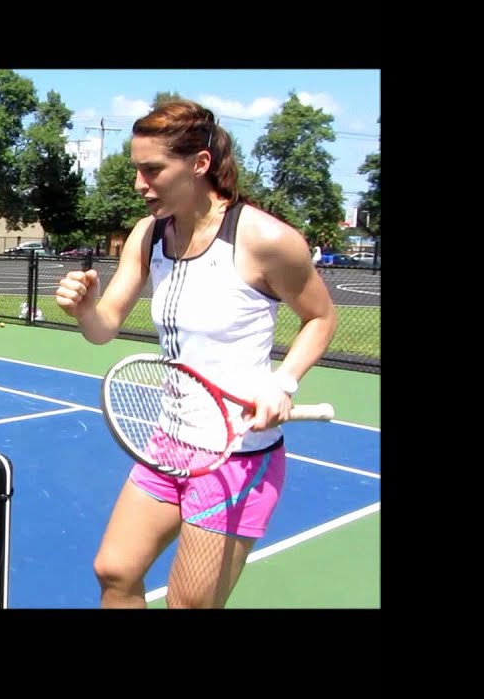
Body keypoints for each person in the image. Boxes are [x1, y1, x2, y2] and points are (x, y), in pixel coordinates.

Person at [54, 100, 338, 609]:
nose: (140, 183)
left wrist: (283, 382)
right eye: (137, 169)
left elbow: (321, 318)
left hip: (238, 458)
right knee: (114, 571)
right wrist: (85, 310)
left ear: (200, 165)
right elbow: (104, 330)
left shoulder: (266, 239)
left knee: (189, 604)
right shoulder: (149, 233)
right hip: (169, 443)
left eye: (153, 169)